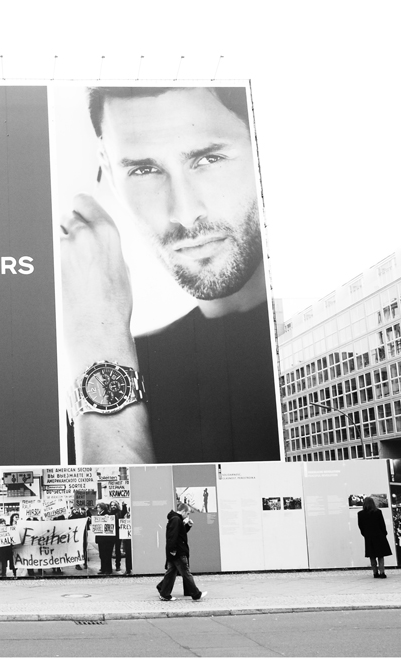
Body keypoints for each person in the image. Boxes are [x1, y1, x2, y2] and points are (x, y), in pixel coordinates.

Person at [60, 86, 279, 465]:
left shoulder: (358, 343)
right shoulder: (121, 369)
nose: (184, 212)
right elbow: (114, 524)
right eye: (144, 170)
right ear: (110, 173)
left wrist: (98, 342)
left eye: (209, 159)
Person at [156, 502, 206, 601]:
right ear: (183, 511)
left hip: (175, 551)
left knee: (171, 572)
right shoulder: (176, 520)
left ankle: (164, 592)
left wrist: (188, 526)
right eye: (187, 513)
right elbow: (172, 536)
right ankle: (196, 594)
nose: (188, 516)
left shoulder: (176, 519)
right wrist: (173, 550)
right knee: (186, 573)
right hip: (178, 552)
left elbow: (179, 534)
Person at [357, 497, 393, 578]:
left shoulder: (360, 514)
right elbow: (382, 524)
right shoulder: (378, 512)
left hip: (369, 537)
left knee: (372, 555)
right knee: (380, 555)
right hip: (379, 535)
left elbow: (360, 526)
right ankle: (382, 572)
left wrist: (365, 534)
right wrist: (384, 533)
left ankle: (375, 572)